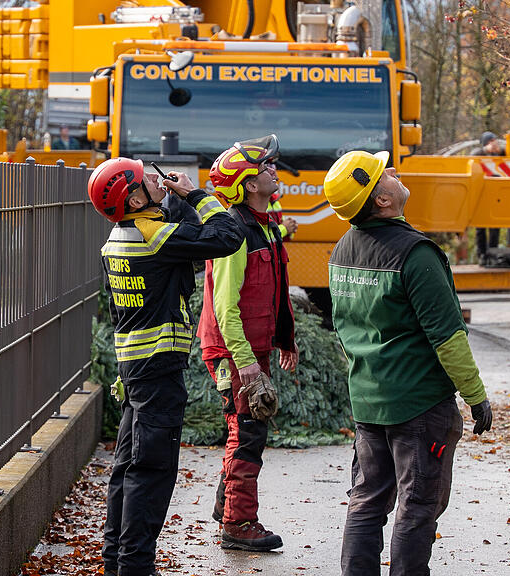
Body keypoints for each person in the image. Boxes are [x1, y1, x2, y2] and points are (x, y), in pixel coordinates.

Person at [323, 150, 494, 576]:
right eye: (385, 174)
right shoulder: (416, 254)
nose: (395, 173)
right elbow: (449, 338)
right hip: (418, 405)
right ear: (382, 200)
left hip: (367, 401)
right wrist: (476, 397)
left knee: (366, 501)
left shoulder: (343, 248)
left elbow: (346, 328)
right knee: (417, 507)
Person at [89, 157, 243, 576]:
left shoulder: (122, 235)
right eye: (147, 180)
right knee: (151, 472)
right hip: (157, 371)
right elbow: (228, 236)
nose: (157, 180)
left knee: (127, 468)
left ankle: (116, 561)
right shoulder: (154, 235)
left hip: (135, 369)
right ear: (135, 197)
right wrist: (195, 194)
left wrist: (170, 203)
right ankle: (135, 567)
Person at [199, 134, 298, 552]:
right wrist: (248, 365)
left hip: (252, 348)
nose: (274, 170)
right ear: (248, 184)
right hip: (234, 351)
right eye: (265, 167)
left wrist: (284, 339)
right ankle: (239, 524)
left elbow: (270, 289)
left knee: (245, 428)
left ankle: (227, 506)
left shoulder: (263, 226)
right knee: (249, 431)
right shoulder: (235, 234)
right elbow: (226, 309)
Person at [471, 131, 506, 263]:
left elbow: (508, 155)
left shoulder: (499, 154)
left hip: (495, 196)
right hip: (480, 195)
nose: (494, 143)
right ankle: (482, 255)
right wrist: (487, 150)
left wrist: (499, 149)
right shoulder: (478, 153)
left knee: (495, 226)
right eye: (491, 141)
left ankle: (493, 253)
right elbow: (473, 158)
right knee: (480, 228)